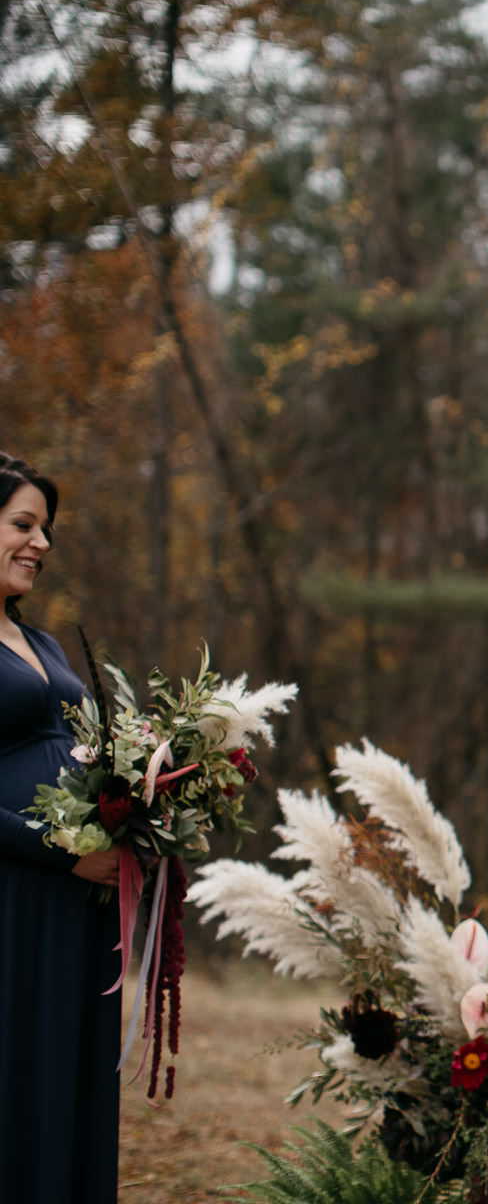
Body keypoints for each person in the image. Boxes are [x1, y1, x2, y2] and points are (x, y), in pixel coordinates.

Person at [0, 452, 121, 1202]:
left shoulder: (43, 644)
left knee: (71, 1076)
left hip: (79, 905)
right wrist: (59, 853)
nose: (42, 543)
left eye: (45, 529)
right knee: (18, 1076)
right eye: (23, 524)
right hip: (15, 897)